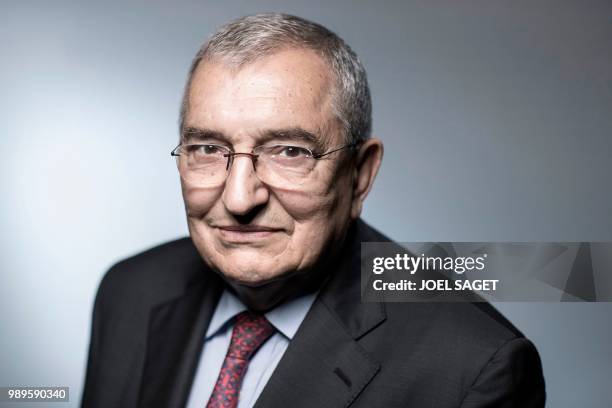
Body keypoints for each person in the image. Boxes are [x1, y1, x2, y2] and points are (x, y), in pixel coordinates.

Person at [82, 13, 545, 408]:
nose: (240, 200)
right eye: (208, 147)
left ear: (360, 174)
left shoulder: (471, 366)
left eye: (289, 152)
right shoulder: (128, 291)